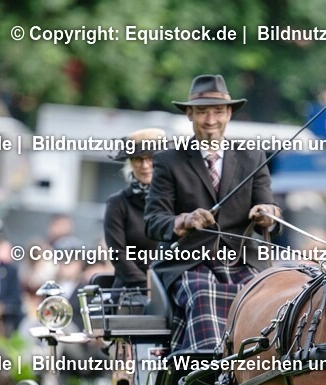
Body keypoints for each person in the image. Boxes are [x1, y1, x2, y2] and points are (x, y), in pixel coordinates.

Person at [144, 74, 280, 352]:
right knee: (202, 294)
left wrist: (267, 214)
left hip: (243, 262)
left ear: (229, 113)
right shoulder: (169, 161)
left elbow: (271, 213)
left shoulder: (252, 157)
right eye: (202, 112)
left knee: (269, 298)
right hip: (189, 263)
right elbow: (154, 222)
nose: (210, 120)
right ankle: (204, 375)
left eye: (218, 111)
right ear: (189, 114)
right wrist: (184, 220)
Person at [105, 128, 167, 288]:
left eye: (151, 158)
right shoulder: (117, 203)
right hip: (132, 289)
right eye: (138, 159)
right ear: (130, 163)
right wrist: (148, 286)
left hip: (174, 284)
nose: (145, 165)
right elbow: (117, 255)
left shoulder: (178, 199)